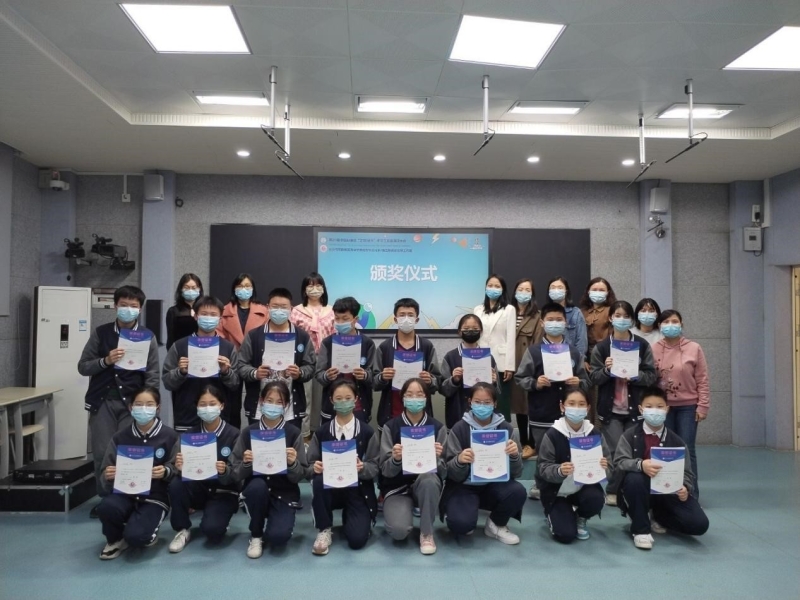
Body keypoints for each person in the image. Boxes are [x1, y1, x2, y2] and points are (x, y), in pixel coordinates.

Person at [78, 285, 159, 516]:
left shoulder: (147, 336)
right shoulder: (101, 333)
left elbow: (153, 373)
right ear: (115, 306)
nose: (128, 309)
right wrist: (105, 361)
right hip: (102, 401)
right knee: (103, 452)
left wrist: (149, 403)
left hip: (132, 404)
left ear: (140, 309)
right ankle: (106, 499)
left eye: (133, 306)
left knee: (131, 451)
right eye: (124, 305)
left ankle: (131, 497)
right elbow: (83, 366)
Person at [615, 386, 709, 550]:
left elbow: (687, 473)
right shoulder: (630, 435)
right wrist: (640, 465)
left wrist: (685, 487)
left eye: (659, 407)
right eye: (649, 406)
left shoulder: (677, 442)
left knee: (699, 524)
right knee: (634, 478)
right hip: (639, 489)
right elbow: (619, 462)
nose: (655, 411)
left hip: (667, 492)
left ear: (667, 409)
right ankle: (640, 530)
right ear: (641, 409)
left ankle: (658, 516)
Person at [514, 302, 589, 500]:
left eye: (559, 319)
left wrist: (578, 382)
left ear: (565, 322)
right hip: (542, 411)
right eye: (550, 320)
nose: (555, 323)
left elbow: (586, 381)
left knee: (567, 450)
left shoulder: (573, 352)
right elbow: (520, 378)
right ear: (542, 323)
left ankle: (569, 486)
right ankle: (540, 485)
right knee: (543, 452)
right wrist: (535, 383)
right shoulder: (534, 351)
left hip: (569, 413)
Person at [96, 387, 179, 560]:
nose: (143, 409)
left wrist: (165, 471)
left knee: (137, 538)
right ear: (130, 407)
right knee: (106, 507)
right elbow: (105, 471)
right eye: (138, 404)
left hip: (154, 497)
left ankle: (142, 530)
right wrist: (108, 475)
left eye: (149, 404)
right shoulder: (120, 437)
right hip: (124, 494)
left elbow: (177, 468)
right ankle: (115, 539)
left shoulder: (170, 436)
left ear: (158, 408)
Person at [588, 300, 657, 507]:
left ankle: (629, 488)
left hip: (635, 409)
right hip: (611, 410)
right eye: (617, 315)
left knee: (634, 451)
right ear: (610, 318)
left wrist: (636, 375)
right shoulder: (602, 347)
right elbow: (593, 378)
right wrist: (607, 370)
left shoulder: (642, 345)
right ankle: (613, 489)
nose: (621, 319)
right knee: (615, 451)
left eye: (626, 316)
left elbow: (651, 376)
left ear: (632, 320)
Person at [230, 381, 308, 559]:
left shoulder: (293, 433)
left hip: (284, 492)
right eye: (269, 400)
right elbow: (234, 473)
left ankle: (275, 523)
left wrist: (293, 463)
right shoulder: (248, 432)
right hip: (256, 490)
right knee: (257, 487)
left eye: (279, 402)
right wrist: (246, 463)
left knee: (278, 538)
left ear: (286, 405)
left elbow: (300, 475)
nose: (273, 406)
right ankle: (256, 534)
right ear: (261, 401)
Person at [441, 383, 526, 544]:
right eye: (477, 402)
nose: (482, 406)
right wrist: (459, 460)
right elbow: (449, 472)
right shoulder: (459, 429)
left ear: (495, 403)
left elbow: (517, 473)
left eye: (487, 402)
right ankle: (463, 514)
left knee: (518, 491)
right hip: (465, 486)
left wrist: (515, 456)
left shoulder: (506, 429)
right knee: (460, 526)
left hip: (495, 484)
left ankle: (496, 524)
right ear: (470, 402)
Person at [307, 380, 381, 556]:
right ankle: (324, 528)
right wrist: (314, 467)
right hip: (330, 489)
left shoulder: (367, 432)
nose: (343, 402)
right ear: (331, 401)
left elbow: (376, 465)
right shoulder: (322, 432)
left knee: (357, 540)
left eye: (348, 398)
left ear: (356, 399)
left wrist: (363, 467)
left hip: (357, 490)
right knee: (318, 480)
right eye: (338, 398)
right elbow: (308, 465)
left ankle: (352, 516)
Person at [167, 385, 240, 553]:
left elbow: (239, 473)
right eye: (203, 404)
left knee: (213, 531)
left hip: (223, 491)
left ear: (222, 405)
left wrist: (225, 471)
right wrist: (178, 467)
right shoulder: (188, 435)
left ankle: (219, 518)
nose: (208, 408)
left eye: (212, 404)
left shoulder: (234, 434)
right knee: (176, 483)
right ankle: (182, 529)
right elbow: (171, 467)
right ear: (197, 407)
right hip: (197, 488)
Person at [379, 378, 447, 555]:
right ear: (402, 398)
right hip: (397, 488)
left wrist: (437, 459)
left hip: (426, 485)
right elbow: (385, 470)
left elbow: (445, 473)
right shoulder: (390, 427)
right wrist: (395, 459)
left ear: (426, 398)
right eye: (409, 395)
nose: (414, 399)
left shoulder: (438, 428)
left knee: (429, 480)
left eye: (419, 395)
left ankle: (427, 533)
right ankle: (406, 511)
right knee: (399, 532)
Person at [236, 288, 316, 429]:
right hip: (259, 408)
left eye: (283, 307)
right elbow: (241, 364)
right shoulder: (254, 336)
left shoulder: (302, 337)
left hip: (290, 410)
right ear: (268, 307)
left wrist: (300, 373)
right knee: (261, 442)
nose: (279, 310)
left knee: (290, 442)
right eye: (275, 306)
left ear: (291, 309)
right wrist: (255, 373)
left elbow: (310, 366)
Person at [535, 387, 609, 543]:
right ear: (562, 406)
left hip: (584, 488)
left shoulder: (594, 433)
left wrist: (605, 467)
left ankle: (580, 517)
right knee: (565, 535)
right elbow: (542, 468)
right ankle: (554, 514)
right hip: (557, 492)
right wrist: (559, 470)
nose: (576, 408)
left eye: (581, 404)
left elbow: (610, 465)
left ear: (588, 408)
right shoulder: (552, 434)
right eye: (571, 403)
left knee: (596, 499)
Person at [652, 309, 710, 497]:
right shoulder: (654, 348)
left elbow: (702, 379)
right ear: (660, 326)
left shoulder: (694, 348)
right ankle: (666, 491)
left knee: (687, 449)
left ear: (681, 324)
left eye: (674, 321)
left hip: (688, 407)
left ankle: (691, 494)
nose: (671, 325)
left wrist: (703, 405)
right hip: (663, 408)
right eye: (666, 322)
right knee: (666, 448)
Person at [162, 295, 239, 432]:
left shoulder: (228, 348)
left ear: (220, 319)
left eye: (213, 315)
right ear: (196, 316)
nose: (208, 318)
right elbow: (167, 382)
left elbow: (235, 384)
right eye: (204, 314)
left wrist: (226, 372)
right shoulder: (179, 346)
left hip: (218, 420)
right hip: (186, 418)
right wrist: (180, 372)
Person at [374, 298, 441, 426]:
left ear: (417, 320)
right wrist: (382, 377)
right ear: (395, 319)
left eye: (410, 315)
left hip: (420, 417)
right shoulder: (384, 347)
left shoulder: (426, 346)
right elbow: (374, 382)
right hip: (391, 416)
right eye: (402, 315)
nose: (406, 319)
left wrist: (430, 380)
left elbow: (437, 381)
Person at [217, 273, 268, 428]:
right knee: (232, 405)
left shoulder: (264, 311)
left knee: (255, 402)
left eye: (247, 286)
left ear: (253, 289)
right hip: (231, 362)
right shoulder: (224, 311)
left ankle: (255, 434)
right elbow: (219, 336)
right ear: (234, 289)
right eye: (240, 286)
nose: (244, 289)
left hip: (255, 363)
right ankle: (233, 436)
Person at [315, 296, 377, 425]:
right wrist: (327, 376)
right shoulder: (327, 343)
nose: (340, 322)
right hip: (333, 406)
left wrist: (364, 375)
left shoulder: (367, 343)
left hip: (359, 406)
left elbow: (374, 377)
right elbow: (319, 374)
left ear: (355, 319)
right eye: (337, 318)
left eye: (345, 319)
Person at [291, 273, 335, 440]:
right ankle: (304, 436)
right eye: (310, 285)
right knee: (306, 398)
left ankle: (321, 434)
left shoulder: (331, 311)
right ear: (304, 290)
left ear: (323, 288)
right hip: (304, 361)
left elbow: (336, 335)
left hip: (326, 361)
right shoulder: (297, 311)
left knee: (323, 398)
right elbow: (292, 336)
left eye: (318, 285)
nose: (314, 289)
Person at [440, 314, 499, 429]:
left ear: (481, 332)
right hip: (457, 414)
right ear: (459, 332)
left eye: (475, 329)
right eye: (466, 329)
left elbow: (497, 392)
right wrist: (454, 380)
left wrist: (494, 382)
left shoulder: (488, 358)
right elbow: (443, 390)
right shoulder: (450, 357)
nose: (471, 332)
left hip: (485, 417)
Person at [473, 274, 516, 421]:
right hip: (480, 360)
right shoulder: (478, 309)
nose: (493, 288)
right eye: (490, 285)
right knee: (482, 399)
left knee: (501, 402)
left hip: (501, 362)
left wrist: (510, 366)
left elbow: (511, 338)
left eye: (497, 286)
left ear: (503, 289)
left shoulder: (509, 309)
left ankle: (503, 429)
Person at [510, 278, 544, 459]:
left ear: (532, 294)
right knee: (518, 406)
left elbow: (537, 342)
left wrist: (533, 364)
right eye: (520, 289)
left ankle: (532, 443)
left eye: (527, 290)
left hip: (527, 364)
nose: (523, 292)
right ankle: (523, 442)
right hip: (510, 365)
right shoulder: (508, 312)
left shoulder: (537, 316)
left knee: (528, 404)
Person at [546, 277, 587, 357]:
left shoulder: (576, 313)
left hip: (572, 358)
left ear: (566, 291)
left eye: (560, 287)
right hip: (549, 357)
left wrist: (576, 360)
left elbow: (582, 342)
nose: (556, 290)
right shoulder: (544, 313)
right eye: (553, 288)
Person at [578, 277, 617, 361]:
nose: (598, 292)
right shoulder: (581, 312)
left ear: (608, 293)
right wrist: (583, 360)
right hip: (586, 355)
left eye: (602, 290)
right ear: (588, 292)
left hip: (606, 354)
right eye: (594, 290)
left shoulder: (612, 311)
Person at [166, 273, 203, 350]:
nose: (190, 290)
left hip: (202, 349)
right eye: (186, 287)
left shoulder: (204, 310)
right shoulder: (173, 311)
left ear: (199, 289)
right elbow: (171, 338)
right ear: (181, 289)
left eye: (194, 288)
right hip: (181, 351)